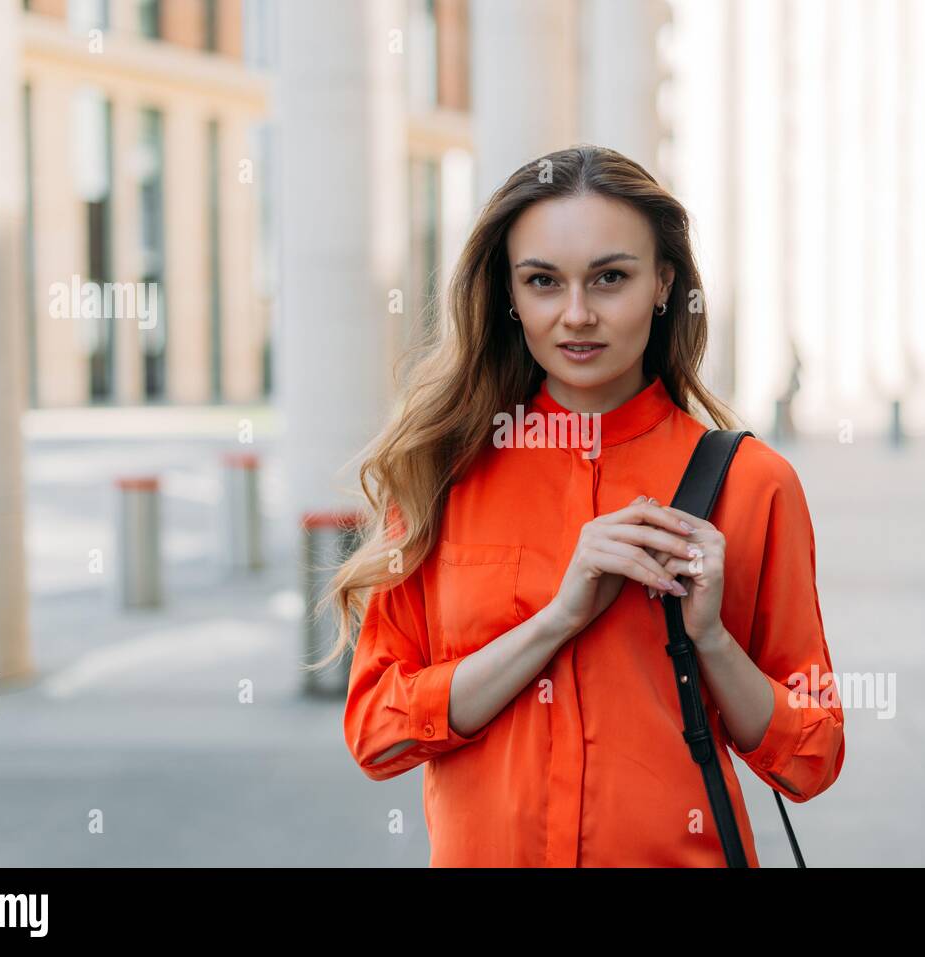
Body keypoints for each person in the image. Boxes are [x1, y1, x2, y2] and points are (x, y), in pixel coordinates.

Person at [320, 144, 844, 867]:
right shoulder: (443, 474)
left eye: (609, 278)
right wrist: (557, 620)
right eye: (543, 281)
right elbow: (378, 733)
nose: (576, 315)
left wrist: (712, 639)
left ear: (664, 282)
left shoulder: (752, 483)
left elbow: (811, 756)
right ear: (508, 292)